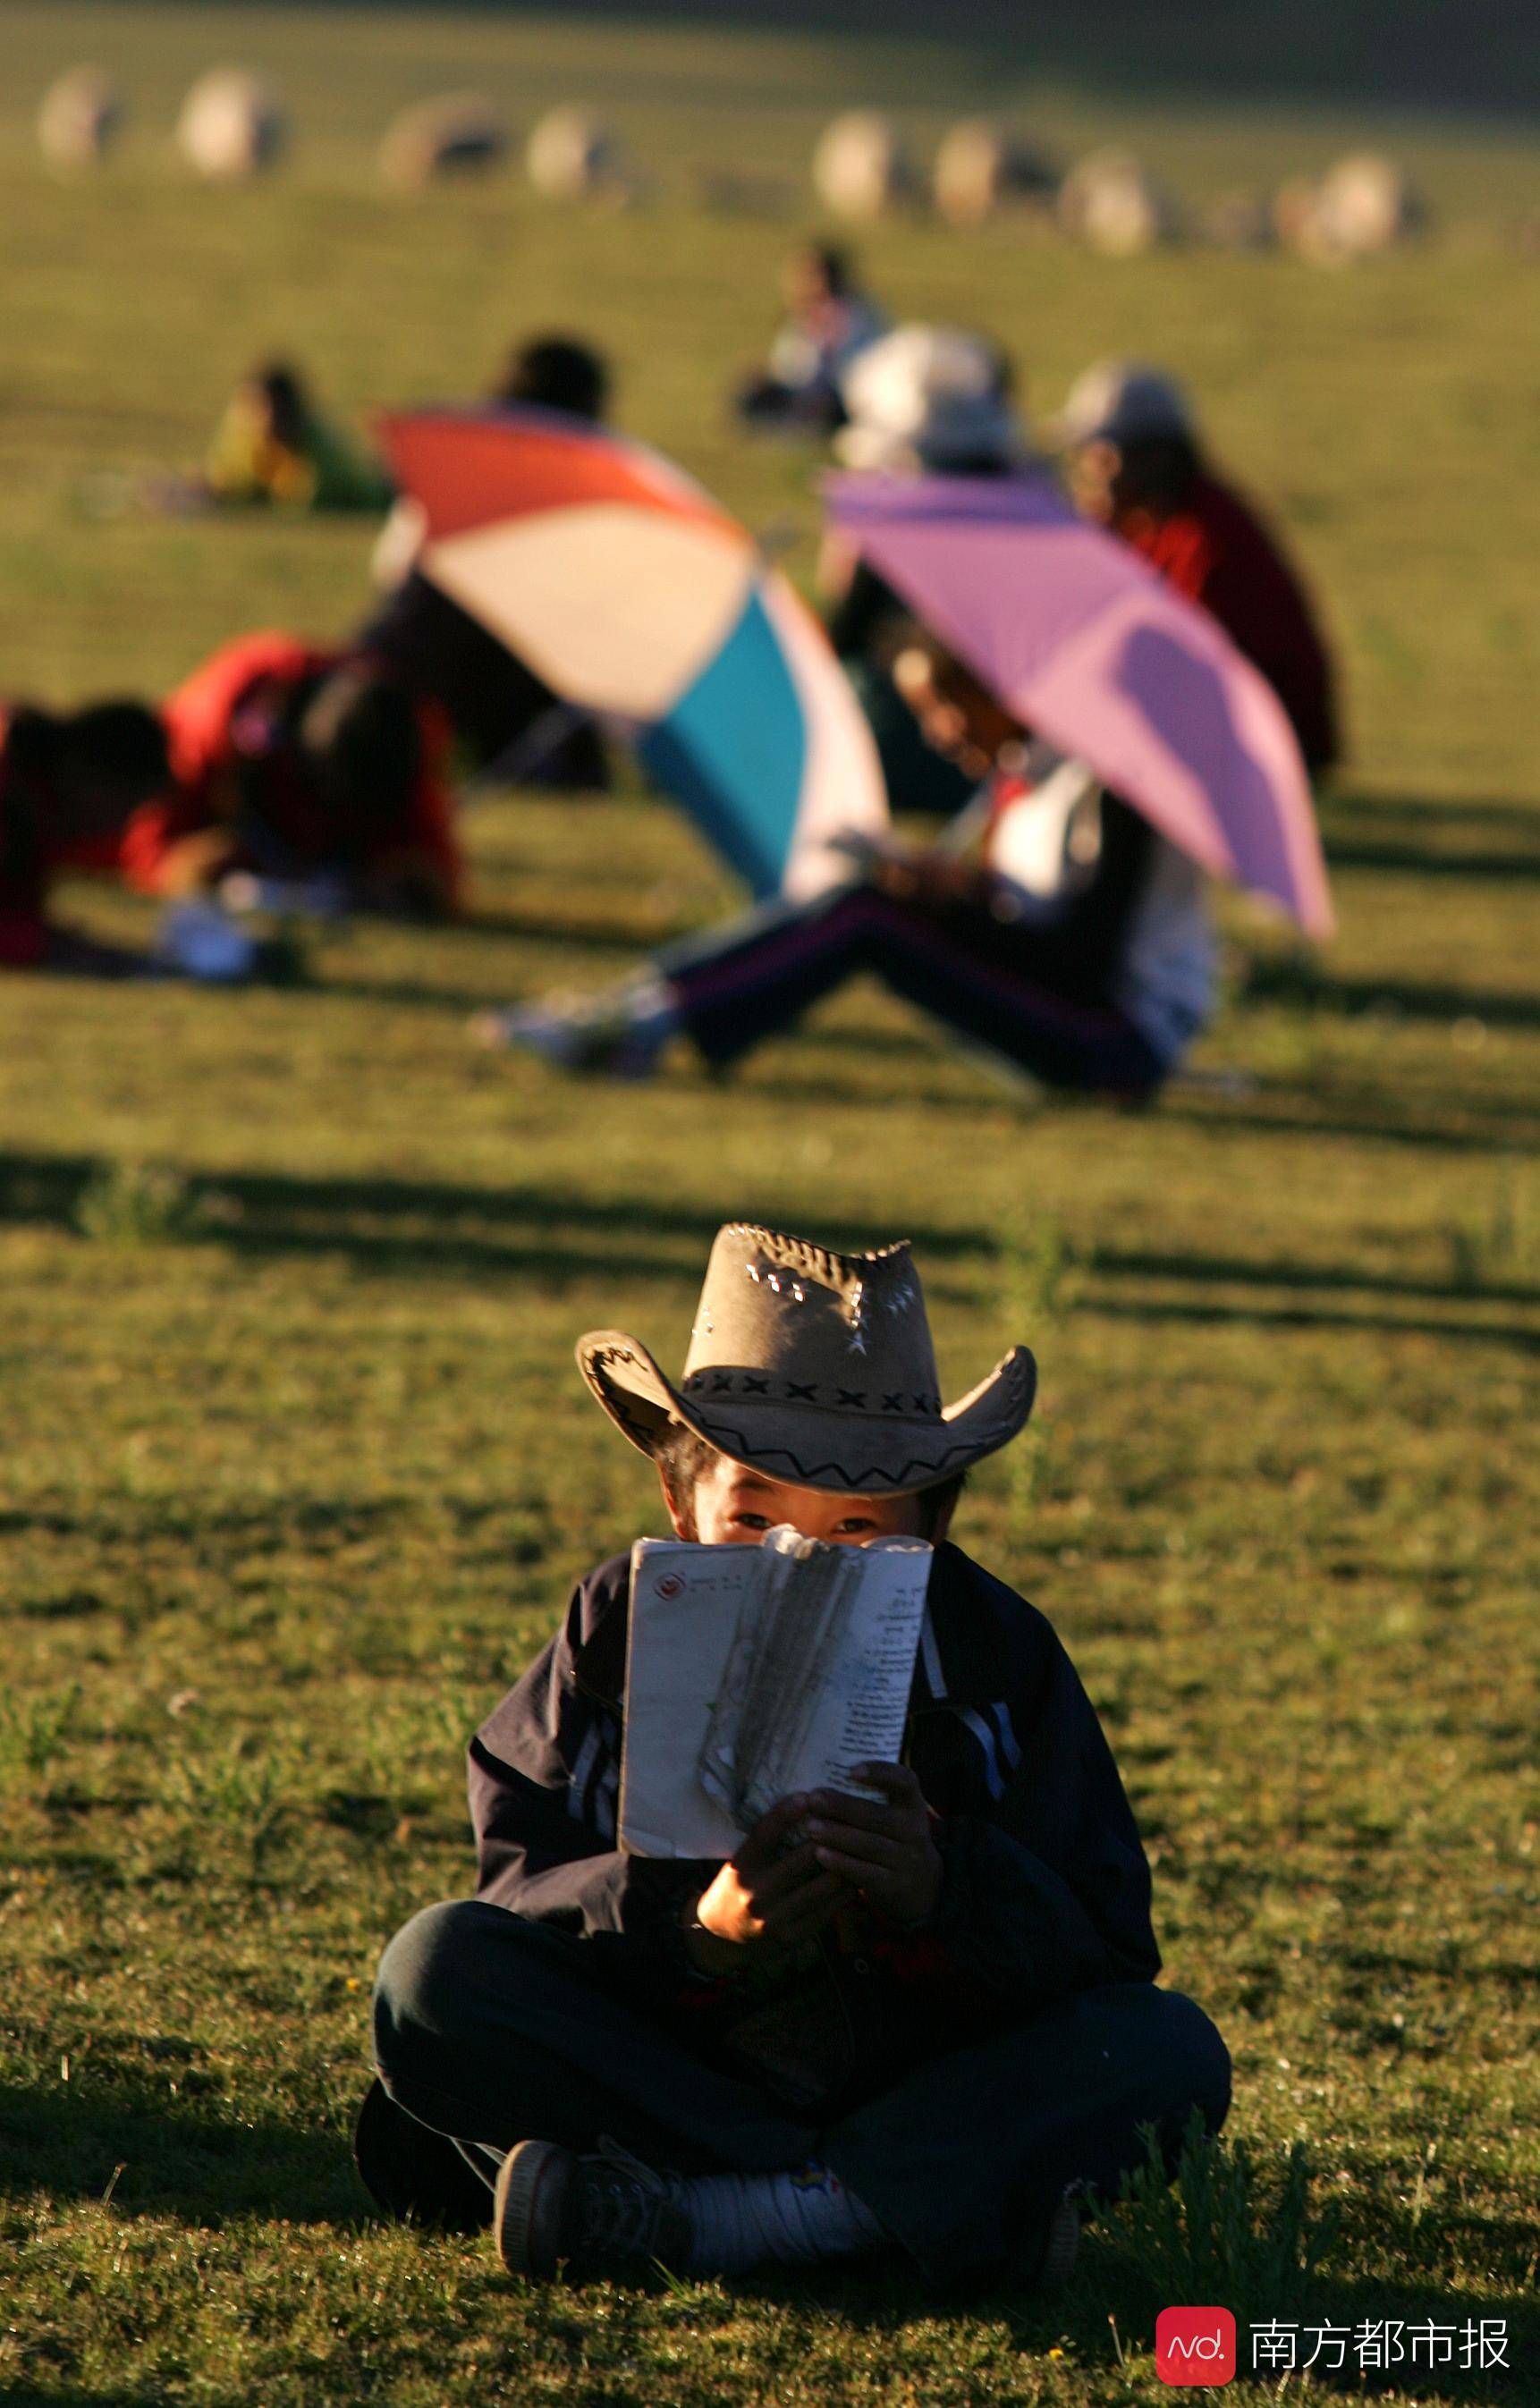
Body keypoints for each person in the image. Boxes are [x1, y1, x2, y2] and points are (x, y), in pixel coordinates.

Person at [362, 1221, 1231, 2288]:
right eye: (755, 1514)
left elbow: (1106, 1947)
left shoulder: (997, 1653)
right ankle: (880, 2216)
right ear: (682, 1503)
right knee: (434, 1973)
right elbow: (519, 1888)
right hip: (671, 2068)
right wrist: (700, 1927)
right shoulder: (615, 1625)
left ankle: (690, 2215)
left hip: (916, 2076)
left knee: (1164, 2050)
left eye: (860, 1527)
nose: (804, 1559)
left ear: (935, 1526)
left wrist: (940, 1885)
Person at [482, 623, 1214, 1103]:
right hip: (1072, 1005)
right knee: (866, 903)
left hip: (1117, 1042)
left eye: (949, 705)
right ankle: (645, 1012)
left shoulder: (1113, 785)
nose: (939, 733)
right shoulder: (1029, 777)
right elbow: (1031, 919)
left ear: (1000, 689)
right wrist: (946, 889)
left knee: (868, 917)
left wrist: (942, 906)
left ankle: (640, 1023)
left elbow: (1081, 958)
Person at [1053, 362, 1340, 777]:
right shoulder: (1152, 522)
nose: (1085, 473)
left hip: (1258, 751)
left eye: (1099, 458)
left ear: (1149, 459)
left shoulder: (1203, 539)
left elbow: (1182, 673)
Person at [356, 334, 613, 788]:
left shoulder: (460, 455)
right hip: (455, 672)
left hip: (387, 662)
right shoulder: (544, 483)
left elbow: (391, 565)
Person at [819, 325, 1028, 818]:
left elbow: (843, 636)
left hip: (899, 750)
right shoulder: (1022, 510)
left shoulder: (896, 523)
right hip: (995, 756)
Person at [121, 631, 461, 920]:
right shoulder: (226, 710)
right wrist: (196, 866)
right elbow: (145, 843)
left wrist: (400, 886)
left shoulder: (399, 732)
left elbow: (436, 870)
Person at [0, 697, 169, 973]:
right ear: (89, 774)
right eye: (125, 805)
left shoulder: (33, 808)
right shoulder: (10, 785)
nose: (121, 826)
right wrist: (50, 948)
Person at [732, 241, 888, 435]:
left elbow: (853, 368)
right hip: (805, 394)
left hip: (842, 399)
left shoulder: (852, 316)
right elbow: (790, 365)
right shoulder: (807, 316)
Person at [203, 359, 395, 514]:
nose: (254, 418)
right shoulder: (247, 439)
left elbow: (305, 500)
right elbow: (229, 479)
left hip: (380, 494)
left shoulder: (316, 450)